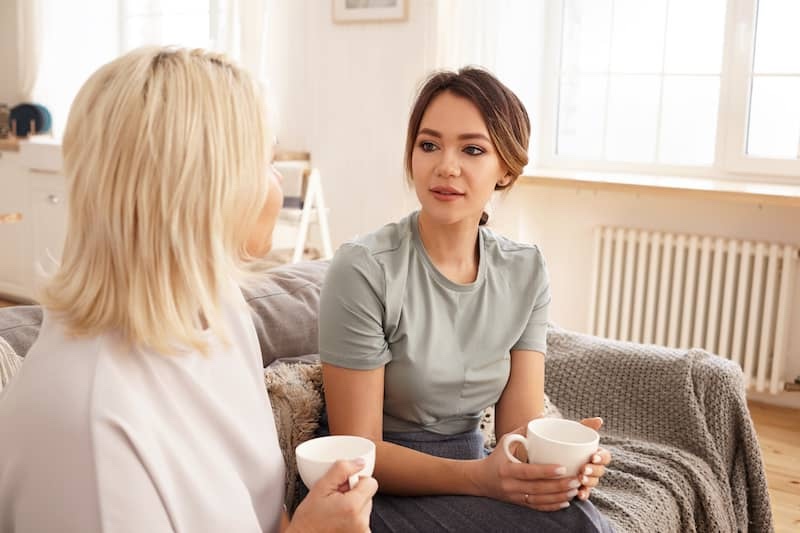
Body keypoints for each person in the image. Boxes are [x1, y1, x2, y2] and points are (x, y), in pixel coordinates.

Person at [0, 47, 376, 533]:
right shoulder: (90, 433)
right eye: (265, 160)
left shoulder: (218, 310)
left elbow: (258, 505)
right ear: (209, 191)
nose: (276, 180)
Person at [318, 67, 615, 532]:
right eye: (429, 145)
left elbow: (516, 431)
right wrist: (480, 479)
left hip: (474, 460)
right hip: (377, 484)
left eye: (472, 149)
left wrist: (557, 466)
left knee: (578, 522)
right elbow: (357, 447)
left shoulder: (526, 270)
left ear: (507, 169)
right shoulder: (363, 269)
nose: (445, 167)